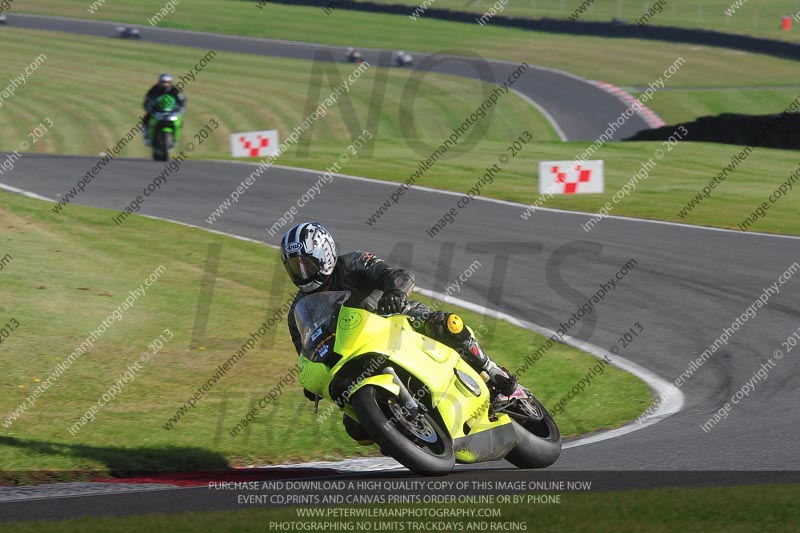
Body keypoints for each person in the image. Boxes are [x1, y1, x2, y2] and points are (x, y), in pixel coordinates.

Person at [281, 222, 518, 444]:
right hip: (353, 354)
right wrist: (312, 382)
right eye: (294, 267)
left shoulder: (353, 262)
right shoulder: (297, 311)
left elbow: (399, 275)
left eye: (306, 264)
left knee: (447, 324)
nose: (301, 273)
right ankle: (402, 434)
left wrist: (395, 293)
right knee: (356, 429)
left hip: (394, 320)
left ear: (325, 255)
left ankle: (491, 370)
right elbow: (305, 353)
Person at [141, 74, 186, 146]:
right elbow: (147, 100)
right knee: (144, 121)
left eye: (167, 82)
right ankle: (147, 137)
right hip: (157, 110)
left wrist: (181, 109)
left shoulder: (175, 90)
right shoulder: (154, 90)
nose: (165, 84)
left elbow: (182, 101)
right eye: (163, 82)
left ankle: (175, 139)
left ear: (170, 82)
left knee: (180, 121)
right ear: (159, 82)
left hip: (171, 111)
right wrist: (148, 108)